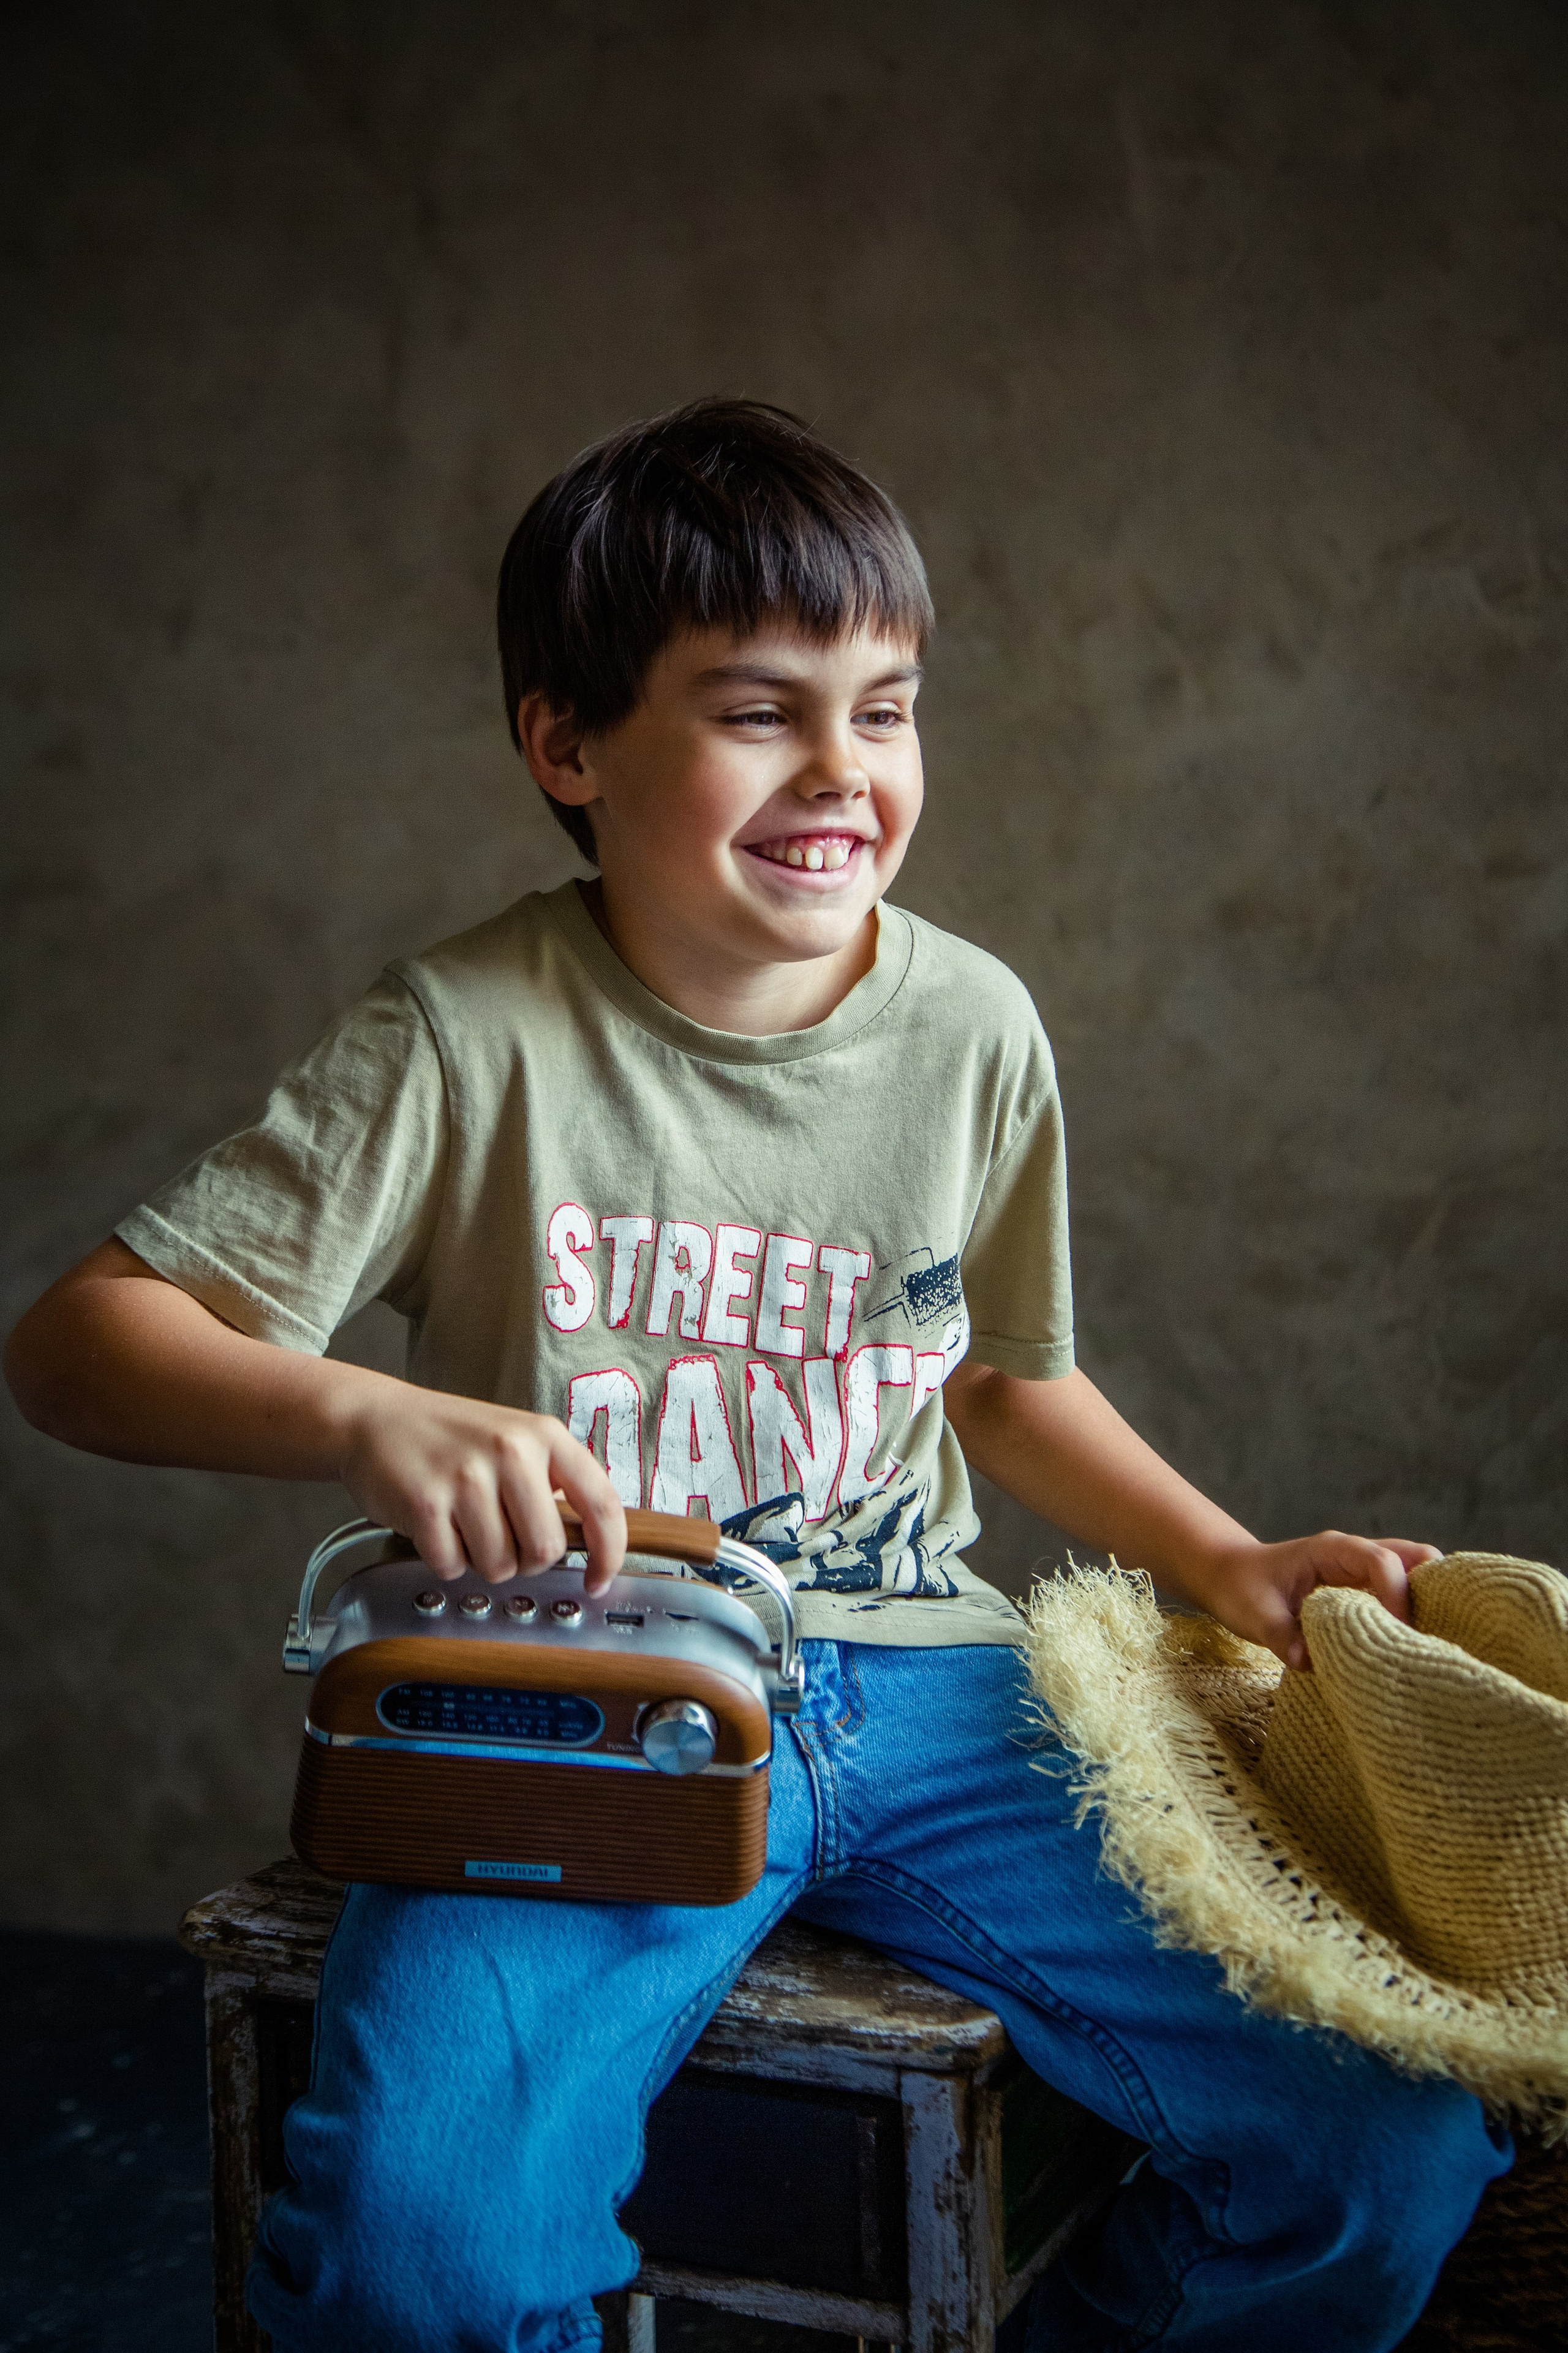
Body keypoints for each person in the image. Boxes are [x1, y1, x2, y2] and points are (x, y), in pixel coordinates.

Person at [5, 399, 1507, 2352]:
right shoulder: (462, 1036)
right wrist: (365, 1409)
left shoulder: (974, 1025)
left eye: (884, 709)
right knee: (420, 2263)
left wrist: (1231, 1564)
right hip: (573, 1694)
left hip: (933, 1689)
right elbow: (76, 1344)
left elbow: (1002, 1381)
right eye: (756, 709)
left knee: (1385, 2150)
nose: (843, 770)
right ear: (570, 743)